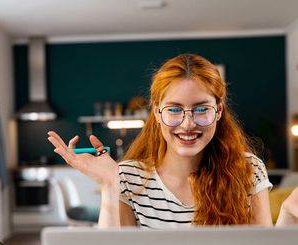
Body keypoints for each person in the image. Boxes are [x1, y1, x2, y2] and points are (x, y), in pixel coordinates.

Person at [48, 53, 298, 228]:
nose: (187, 123)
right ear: (157, 112)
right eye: (174, 109)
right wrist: (110, 185)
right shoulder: (127, 177)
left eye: (201, 109)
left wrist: (288, 213)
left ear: (219, 111)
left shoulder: (249, 170)